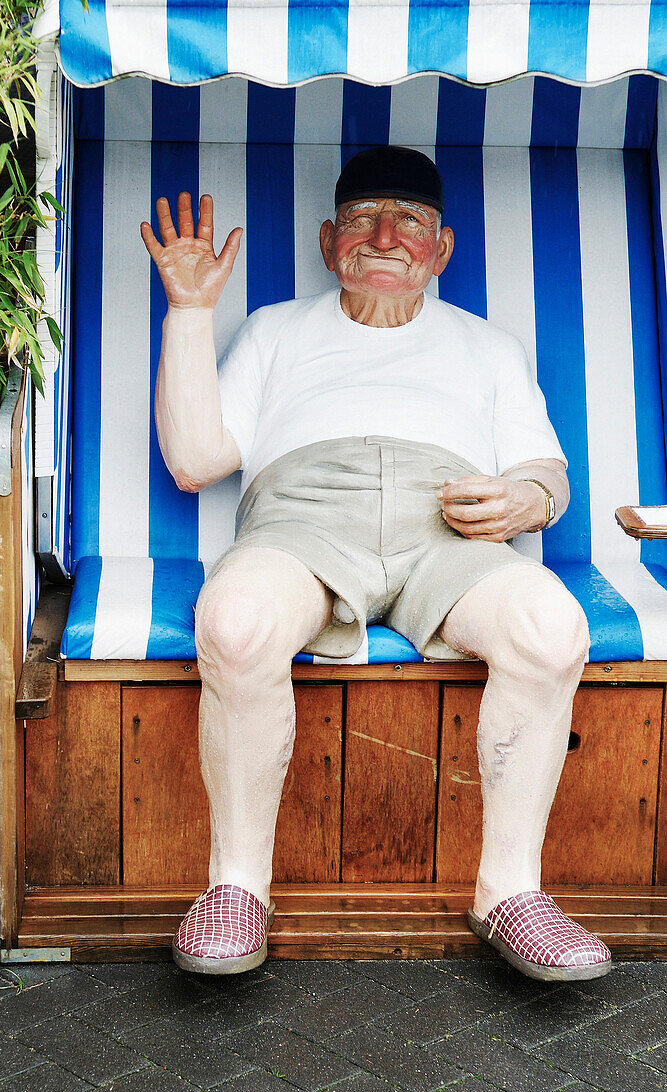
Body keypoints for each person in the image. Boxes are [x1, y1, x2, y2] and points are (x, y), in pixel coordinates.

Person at [140, 145, 612, 983]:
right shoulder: (274, 329)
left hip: (450, 530)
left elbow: (547, 473)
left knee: (550, 629)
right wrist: (187, 309)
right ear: (329, 243)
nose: (385, 236)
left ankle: (510, 894)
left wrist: (524, 502)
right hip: (302, 521)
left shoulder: (488, 346)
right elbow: (193, 459)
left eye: (411, 222)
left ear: (442, 249)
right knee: (236, 624)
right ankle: (236, 888)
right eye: (361, 219)